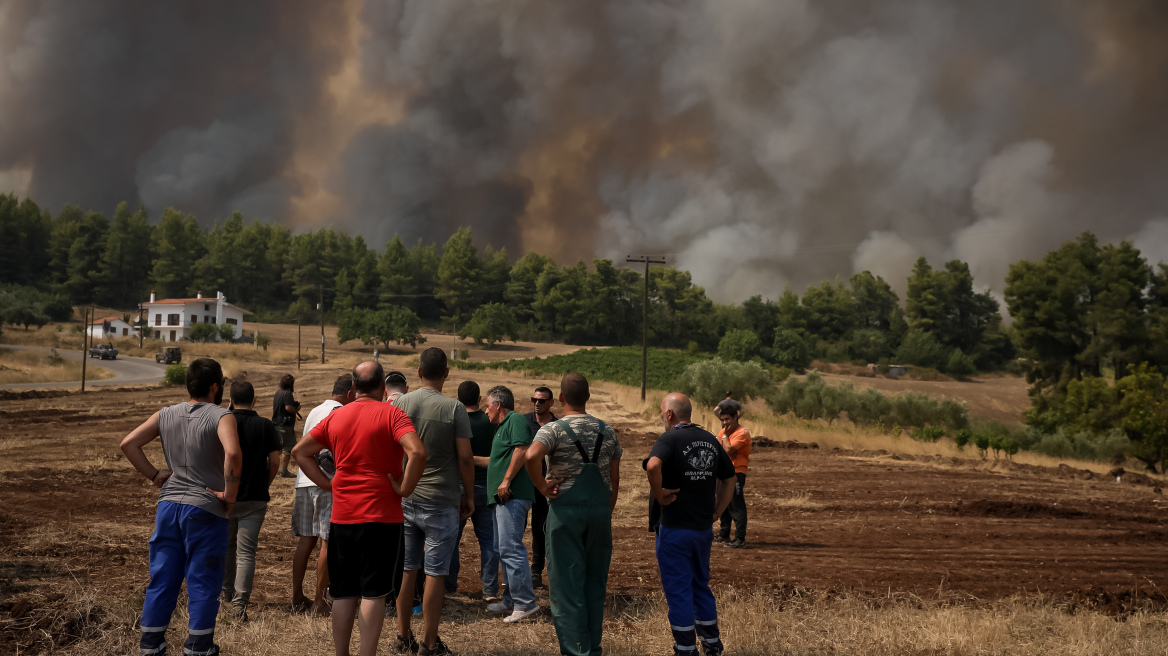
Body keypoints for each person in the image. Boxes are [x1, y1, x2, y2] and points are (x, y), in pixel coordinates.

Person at [293, 361, 426, 656]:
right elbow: (417, 451)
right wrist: (404, 489)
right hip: (382, 517)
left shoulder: (336, 417)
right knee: (374, 593)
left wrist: (329, 484)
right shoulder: (393, 414)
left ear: (353, 387)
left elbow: (299, 452)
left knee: (343, 593)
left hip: (342, 517)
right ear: (381, 386)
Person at [119, 358, 241, 656]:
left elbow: (128, 444)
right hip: (204, 509)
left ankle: (150, 645)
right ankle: (199, 646)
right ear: (215, 386)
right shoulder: (222, 416)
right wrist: (230, 496)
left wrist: (154, 474)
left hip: (168, 507)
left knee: (163, 577)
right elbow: (234, 454)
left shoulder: (165, 414)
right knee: (202, 579)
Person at [525, 373, 622, 656]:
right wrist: (608, 510)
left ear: (562, 398)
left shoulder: (553, 429)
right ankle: (592, 647)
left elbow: (531, 457)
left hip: (566, 514)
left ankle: (575, 651)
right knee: (595, 584)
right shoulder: (609, 431)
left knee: (567, 587)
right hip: (600, 513)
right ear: (588, 398)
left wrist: (542, 485)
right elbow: (614, 479)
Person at [392, 348, 475, 656]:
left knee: (408, 569)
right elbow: (465, 458)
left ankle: (403, 637)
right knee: (435, 573)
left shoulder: (401, 402)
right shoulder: (454, 409)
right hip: (441, 500)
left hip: (407, 497)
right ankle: (429, 643)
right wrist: (468, 495)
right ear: (447, 374)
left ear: (418, 372)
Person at [645, 393, 736, 656]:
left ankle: (685, 649)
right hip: (702, 530)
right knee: (700, 585)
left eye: (662, 412)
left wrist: (660, 493)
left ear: (670, 414)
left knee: (679, 591)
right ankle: (712, 644)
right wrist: (718, 511)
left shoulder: (669, 438)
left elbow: (652, 466)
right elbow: (730, 478)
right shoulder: (709, 438)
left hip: (674, 529)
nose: (661, 416)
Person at [291, 374, 356, 616]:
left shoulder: (315, 410)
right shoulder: (340, 413)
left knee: (306, 540)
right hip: (326, 482)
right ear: (350, 393)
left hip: (304, 481)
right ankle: (320, 601)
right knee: (328, 542)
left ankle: (297, 596)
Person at [222, 380, 282, 621]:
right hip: (255, 498)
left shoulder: (225, 423)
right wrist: (264, 484)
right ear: (254, 400)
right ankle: (240, 605)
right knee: (247, 552)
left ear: (230, 400)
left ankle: (225, 595)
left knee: (227, 548)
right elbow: (275, 461)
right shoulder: (265, 425)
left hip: (227, 497)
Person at [484, 385, 540, 623]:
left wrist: (506, 480)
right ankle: (510, 600)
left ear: (498, 405)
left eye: (487, 406)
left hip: (512, 496)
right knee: (502, 548)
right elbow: (497, 459)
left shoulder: (515, 419)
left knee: (510, 548)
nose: (485, 411)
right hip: (502, 499)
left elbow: (522, 449)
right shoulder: (501, 428)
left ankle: (525, 603)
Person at [446, 381, 500, 598]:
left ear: (457, 400)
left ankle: (449, 586)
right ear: (479, 400)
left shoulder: (454, 421)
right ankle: (489, 590)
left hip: (459, 487)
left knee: (452, 540)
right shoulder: (491, 421)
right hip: (487, 487)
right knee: (488, 541)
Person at [523, 385, 555, 588]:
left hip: (546, 484)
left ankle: (536, 571)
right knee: (517, 526)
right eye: (534, 399)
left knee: (540, 527)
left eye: (542, 400)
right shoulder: (524, 422)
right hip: (525, 482)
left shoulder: (558, 425)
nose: (537, 403)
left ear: (551, 402)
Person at [713, 398, 751, 548]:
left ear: (736, 417)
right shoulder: (725, 431)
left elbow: (727, 450)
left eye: (727, 419)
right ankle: (724, 534)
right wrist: (728, 450)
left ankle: (740, 539)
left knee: (736, 505)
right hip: (723, 471)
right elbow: (719, 450)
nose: (724, 422)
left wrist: (725, 440)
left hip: (736, 473)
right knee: (724, 503)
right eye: (722, 419)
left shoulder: (742, 433)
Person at [273, 374, 301, 478]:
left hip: (276, 423)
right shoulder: (288, 393)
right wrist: (296, 410)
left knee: (277, 448)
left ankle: (269, 467)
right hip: (285, 425)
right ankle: (284, 470)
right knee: (288, 447)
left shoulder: (278, 393)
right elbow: (288, 408)